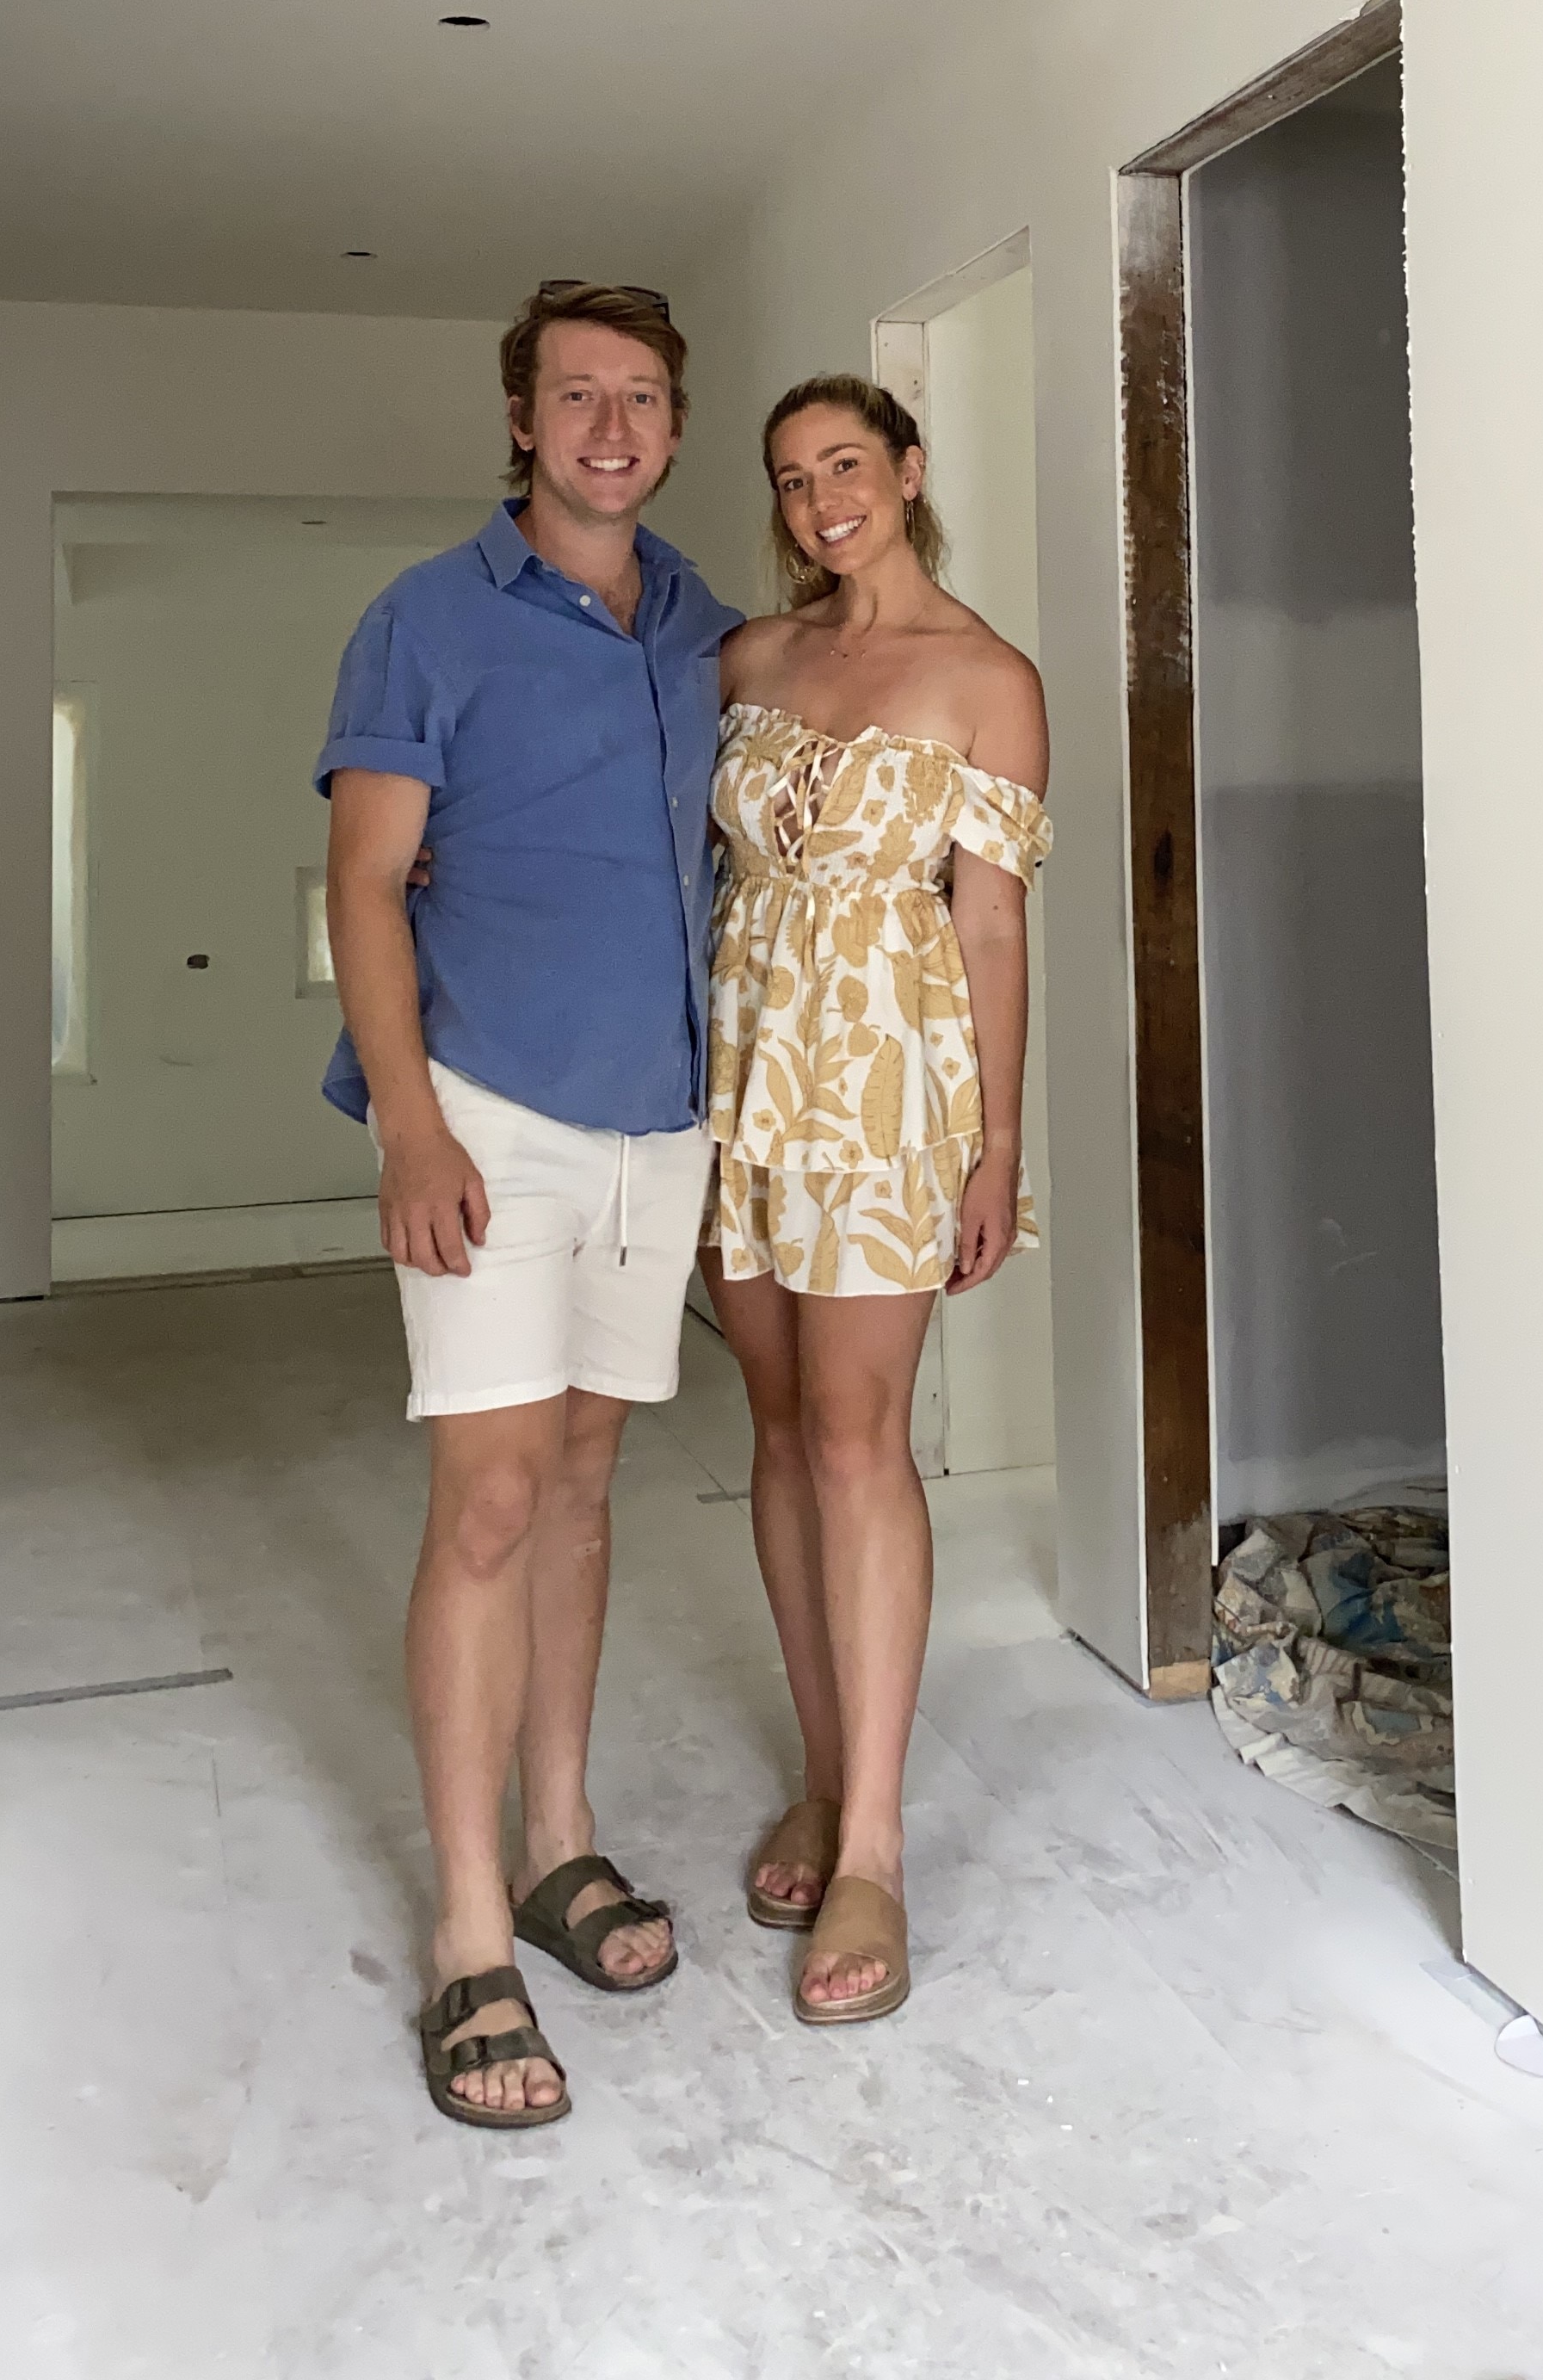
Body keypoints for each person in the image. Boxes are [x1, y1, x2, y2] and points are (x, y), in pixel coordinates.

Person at [318, 279, 739, 2131]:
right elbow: (365, 883)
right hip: (489, 1113)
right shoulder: (424, 620)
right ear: (520, 418)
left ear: (673, 425)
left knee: (580, 1483)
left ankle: (562, 1842)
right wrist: (412, 1130)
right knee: (489, 1498)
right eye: (577, 394)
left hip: (660, 1120)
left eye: (641, 396)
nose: (610, 426)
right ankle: (471, 1928)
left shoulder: (701, 626)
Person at [703, 374, 1051, 2026]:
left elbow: (990, 924)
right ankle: (824, 1770)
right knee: (775, 1427)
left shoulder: (989, 680)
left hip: (888, 1092)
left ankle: (875, 1854)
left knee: (859, 1438)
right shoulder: (752, 659)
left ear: (908, 470)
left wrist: (998, 1146)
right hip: (741, 1079)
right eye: (791, 478)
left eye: (845, 463)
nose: (820, 498)